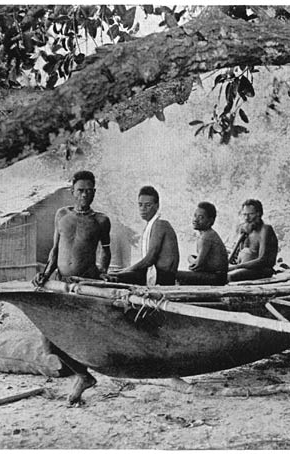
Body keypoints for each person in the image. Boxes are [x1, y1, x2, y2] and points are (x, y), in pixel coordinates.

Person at [32, 170, 111, 404]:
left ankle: (82, 378)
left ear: (94, 193)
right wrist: (45, 274)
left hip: (85, 286)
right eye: (80, 191)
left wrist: (103, 273)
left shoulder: (101, 220)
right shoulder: (62, 215)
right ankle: (83, 376)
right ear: (72, 192)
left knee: (80, 336)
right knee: (48, 344)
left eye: (89, 191)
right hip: (60, 284)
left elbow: (105, 249)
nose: (84, 195)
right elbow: (55, 250)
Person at [107, 186, 179, 285]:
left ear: (157, 206)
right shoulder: (152, 225)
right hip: (157, 274)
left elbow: (149, 259)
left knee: (114, 278)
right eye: (140, 205)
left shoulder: (160, 225)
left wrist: (125, 271)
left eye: (148, 205)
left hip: (163, 277)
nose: (143, 209)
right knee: (116, 274)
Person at [176, 202, 229, 286]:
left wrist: (190, 259)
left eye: (201, 217)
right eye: (195, 216)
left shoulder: (207, 236)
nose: (195, 219)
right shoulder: (208, 234)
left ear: (210, 221)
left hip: (216, 278)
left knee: (175, 275)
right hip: (216, 276)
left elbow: (197, 266)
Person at [227, 199, 278, 282]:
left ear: (259, 214)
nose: (247, 218)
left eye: (251, 214)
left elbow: (263, 260)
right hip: (243, 267)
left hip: (260, 270)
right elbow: (236, 256)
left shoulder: (265, 230)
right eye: (244, 214)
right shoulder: (245, 229)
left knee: (228, 276)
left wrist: (236, 267)